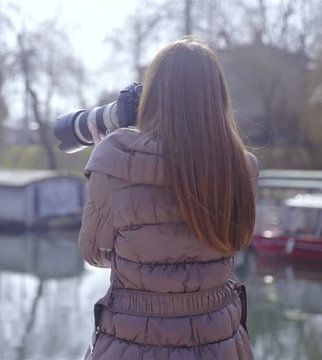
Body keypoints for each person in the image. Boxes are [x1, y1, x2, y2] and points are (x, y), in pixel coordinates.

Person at [79, 37, 259, 359]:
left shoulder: (114, 157)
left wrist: (104, 165)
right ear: (217, 96)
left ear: (154, 95)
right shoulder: (243, 167)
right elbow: (232, 241)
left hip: (133, 345)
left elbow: (94, 253)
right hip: (220, 344)